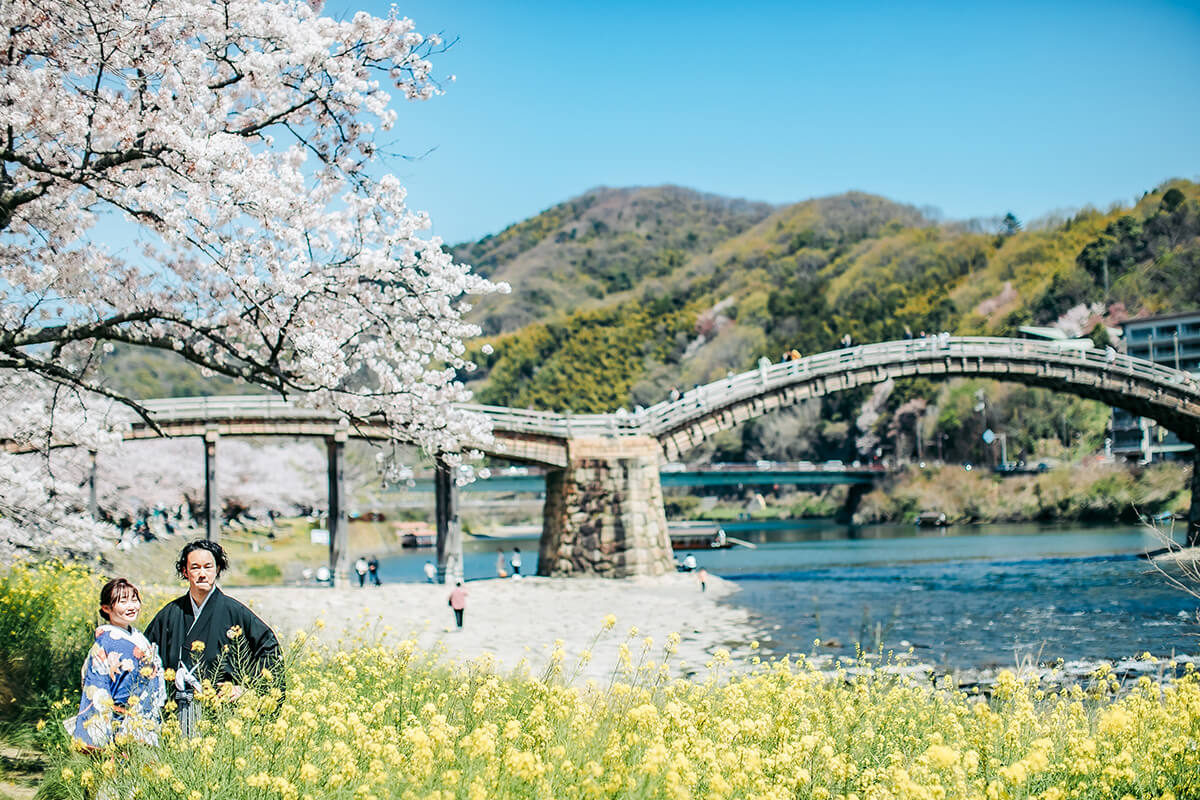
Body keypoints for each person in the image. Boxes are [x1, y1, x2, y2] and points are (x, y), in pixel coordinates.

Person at [145, 540, 282, 735]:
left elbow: (269, 649)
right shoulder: (170, 614)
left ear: (217, 569)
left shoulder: (234, 611)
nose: (202, 573)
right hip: (175, 713)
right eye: (195, 567)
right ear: (185, 571)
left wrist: (245, 689)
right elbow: (144, 654)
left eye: (208, 567)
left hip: (223, 715)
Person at [65, 578, 167, 749]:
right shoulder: (107, 642)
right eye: (123, 601)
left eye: (134, 600)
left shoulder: (138, 637)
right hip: (120, 721)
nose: (132, 606)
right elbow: (97, 686)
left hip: (143, 718)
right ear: (106, 608)